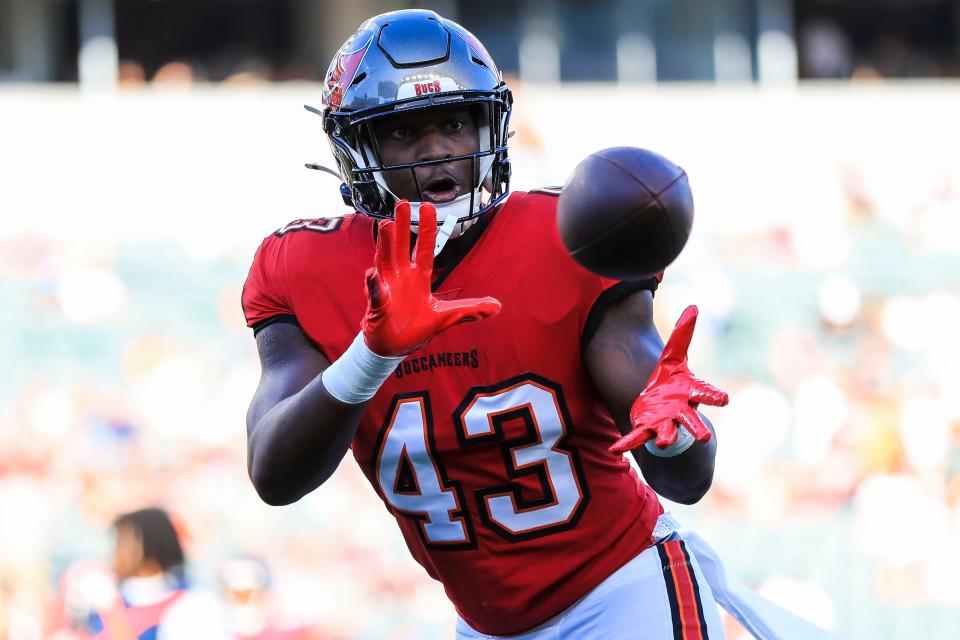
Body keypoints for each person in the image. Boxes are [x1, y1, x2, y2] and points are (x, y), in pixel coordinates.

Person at [242, 10, 831, 639]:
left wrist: (675, 433)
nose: (438, 148)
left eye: (455, 122)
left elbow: (685, 479)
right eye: (404, 131)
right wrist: (371, 354)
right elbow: (274, 474)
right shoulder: (303, 266)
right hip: (485, 625)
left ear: (489, 126)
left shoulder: (562, 241)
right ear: (356, 148)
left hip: (620, 592)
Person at [85, 508, 231, 640]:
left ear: (151, 546)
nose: (117, 553)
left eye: (123, 544)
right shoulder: (105, 601)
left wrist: (114, 617)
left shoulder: (194, 605)